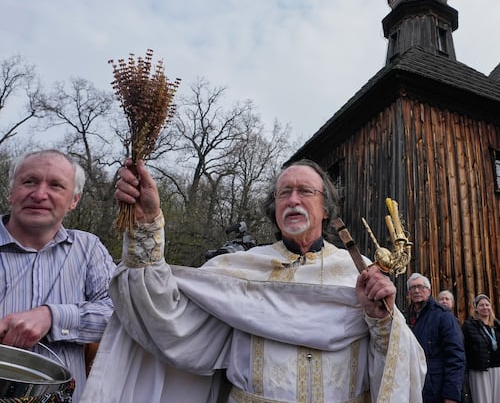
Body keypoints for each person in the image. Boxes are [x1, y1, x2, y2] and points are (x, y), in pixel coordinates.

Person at [82, 158, 426, 402]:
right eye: (283, 193)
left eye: (305, 191)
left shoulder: (359, 272)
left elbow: (401, 361)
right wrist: (146, 224)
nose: (293, 200)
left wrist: (381, 319)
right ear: (274, 209)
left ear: (326, 209)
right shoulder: (237, 270)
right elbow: (162, 313)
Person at [0, 149, 116, 402]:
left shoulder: (88, 249)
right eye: (29, 181)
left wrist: (52, 317)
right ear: (11, 192)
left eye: (55, 185)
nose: (39, 194)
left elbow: (121, 315)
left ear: (74, 200)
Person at [407, 273, 466, 403]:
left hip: (437, 389)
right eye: (412, 288)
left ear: (429, 290)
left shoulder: (443, 316)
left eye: (420, 287)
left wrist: (451, 395)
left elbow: (455, 356)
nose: (416, 290)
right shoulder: (406, 318)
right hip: (415, 387)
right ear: (409, 294)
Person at [462, 294, 500, 402]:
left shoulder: (497, 326)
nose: (485, 307)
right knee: (482, 400)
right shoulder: (469, 326)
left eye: (487, 305)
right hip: (479, 369)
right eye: (481, 305)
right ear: (476, 308)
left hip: (497, 368)